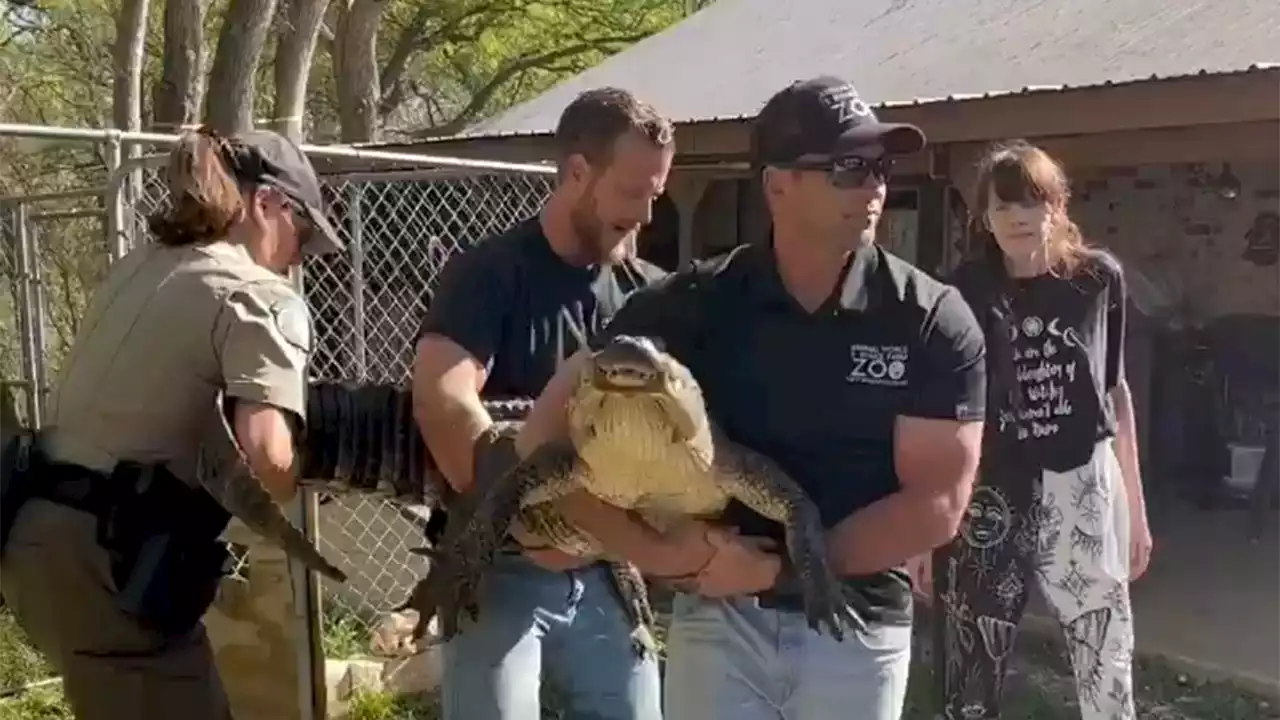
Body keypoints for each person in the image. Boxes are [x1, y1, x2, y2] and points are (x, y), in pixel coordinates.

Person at [512, 75, 987, 720]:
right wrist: (659, 554)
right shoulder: (688, 307)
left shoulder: (931, 319)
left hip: (856, 620)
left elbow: (936, 504)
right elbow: (540, 442)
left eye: (880, 166)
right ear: (777, 184)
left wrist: (779, 573)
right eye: (847, 167)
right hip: (717, 617)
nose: (874, 185)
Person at [0, 126, 344, 719]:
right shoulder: (259, 295)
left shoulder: (141, 265)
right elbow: (270, 464)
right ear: (268, 204)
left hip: (34, 538)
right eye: (303, 233)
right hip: (112, 557)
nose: (298, 256)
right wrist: (324, 467)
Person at [413, 87, 724, 720]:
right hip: (499, 560)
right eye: (633, 192)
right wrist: (528, 512)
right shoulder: (492, 272)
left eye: (656, 195)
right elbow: (443, 399)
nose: (644, 215)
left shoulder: (650, 294)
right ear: (578, 172)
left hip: (610, 563)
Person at [910, 140, 1153, 720]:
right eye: (1002, 207)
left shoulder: (1098, 280)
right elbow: (941, 408)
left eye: (1032, 202)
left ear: (1059, 205)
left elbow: (1115, 393)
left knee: (1104, 648)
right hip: (991, 487)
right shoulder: (961, 291)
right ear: (984, 217)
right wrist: (923, 526)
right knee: (972, 651)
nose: (1018, 218)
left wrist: (1135, 513)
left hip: (1082, 481)